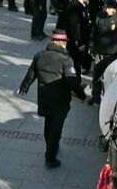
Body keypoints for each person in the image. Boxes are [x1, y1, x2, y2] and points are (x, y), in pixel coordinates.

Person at [18, 29, 83, 168]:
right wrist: (82, 94)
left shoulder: (39, 56)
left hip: (44, 97)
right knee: (56, 128)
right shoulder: (66, 59)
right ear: (62, 42)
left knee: (48, 123)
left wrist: (24, 87)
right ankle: (50, 158)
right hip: (60, 100)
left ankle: (50, 145)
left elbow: (31, 74)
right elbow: (72, 81)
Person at [91, 0, 117, 104]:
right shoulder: (99, 17)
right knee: (97, 76)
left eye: (109, 8)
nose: (107, 10)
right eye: (106, 8)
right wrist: (91, 47)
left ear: (114, 9)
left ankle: (109, 100)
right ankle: (95, 96)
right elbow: (93, 33)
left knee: (111, 78)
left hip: (114, 54)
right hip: (100, 52)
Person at [58, 0, 91, 79]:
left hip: (78, 43)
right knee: (74, 64)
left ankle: (76, 83)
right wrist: (79, 43)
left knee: (77, 64)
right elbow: (74, 26)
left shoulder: (80, 6)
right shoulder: (75, 7)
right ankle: (74, 85)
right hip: (74, 44)